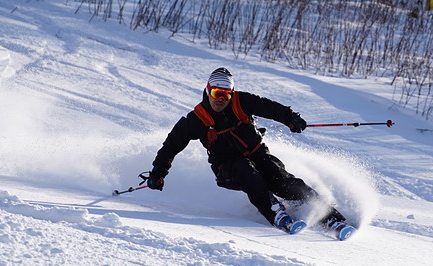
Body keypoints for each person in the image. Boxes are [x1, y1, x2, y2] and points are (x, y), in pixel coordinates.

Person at [147, 67, 354, 238]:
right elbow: (171, 146)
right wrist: (158, 173)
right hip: (227, 168)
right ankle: (276, 213)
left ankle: (331, 217)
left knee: (283, 181)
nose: (221, 99)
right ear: (208, 90)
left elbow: (269, 107)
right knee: (248, 174)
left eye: (226, 95)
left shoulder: (241, 102)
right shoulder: (195, 120)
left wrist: (291, 118)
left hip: (257, 154)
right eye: (216, 93)